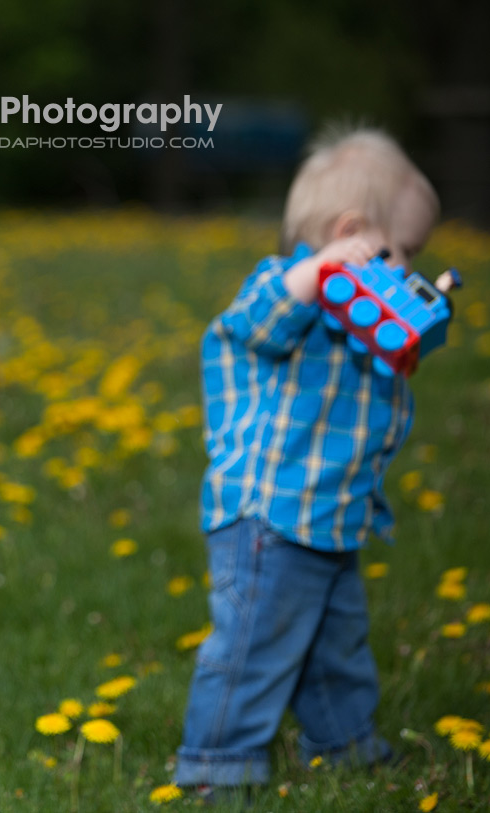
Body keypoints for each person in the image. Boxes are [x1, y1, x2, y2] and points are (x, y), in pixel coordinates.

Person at [174, 126, 440, 797]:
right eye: (403, 252)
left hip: (331, 520)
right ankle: (218, 765)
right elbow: (252, 324)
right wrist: (319, 270)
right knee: (252, 650)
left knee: (336, 646)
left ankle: (347, 745)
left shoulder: (367, 322)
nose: (409, 270)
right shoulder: (284, 293)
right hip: (269, 520)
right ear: (353, 235)